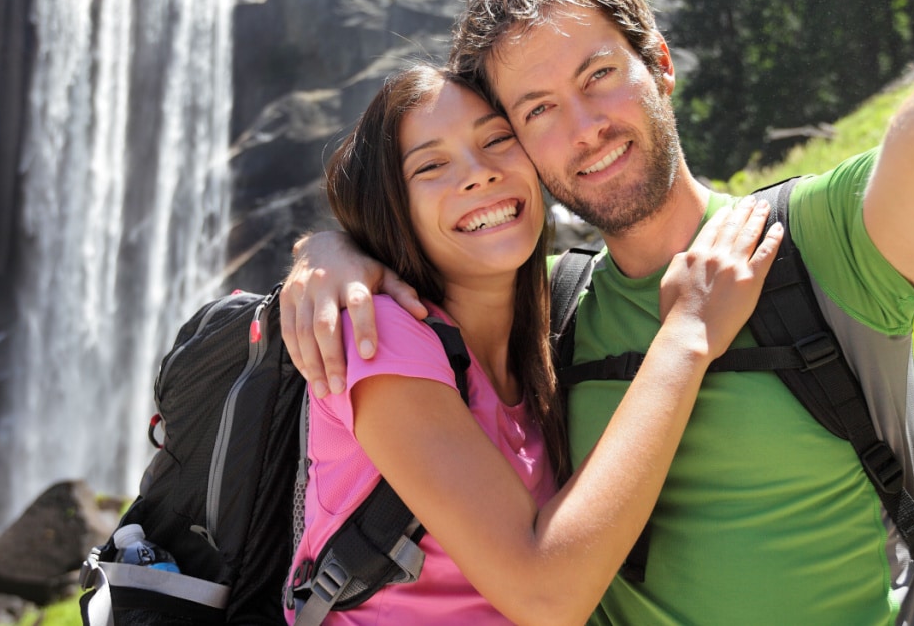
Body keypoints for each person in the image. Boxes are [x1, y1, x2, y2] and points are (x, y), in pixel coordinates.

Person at [281, 0, 914, 623]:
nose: (583, 126)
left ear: (660, 63)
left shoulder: (817, 238)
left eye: (599, 75)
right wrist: (331, 251)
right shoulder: (549, 307)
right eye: (539, 109)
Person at [284, 62, 782, 625]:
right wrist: (688, 334)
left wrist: (319, 246)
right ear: (392, 209)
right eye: (430, 165)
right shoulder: (379, 330)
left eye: (497, 139)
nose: (479, 174)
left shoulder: (549, 326)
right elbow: (545, 596)